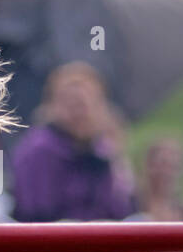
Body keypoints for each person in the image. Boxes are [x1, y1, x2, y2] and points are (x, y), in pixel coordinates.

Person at [10, 62, 136, 222]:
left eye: (87, 103)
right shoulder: (38, 151)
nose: (80, 112)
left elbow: (120, 209)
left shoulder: (104, 153)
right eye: (71, 104)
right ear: (52, 107)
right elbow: (36, 213)